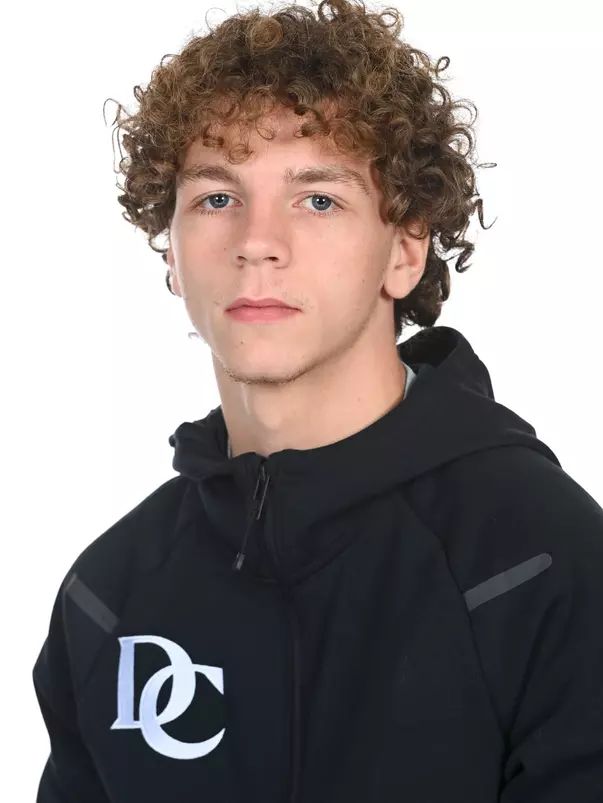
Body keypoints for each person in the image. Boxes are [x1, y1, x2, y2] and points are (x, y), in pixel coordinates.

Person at [33, 0, 603, 801]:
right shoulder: (109, 594)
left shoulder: (540, 565)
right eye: (217, 199)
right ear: (171, 252)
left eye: (318, 198)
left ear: (404, 251)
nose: (256, 240)